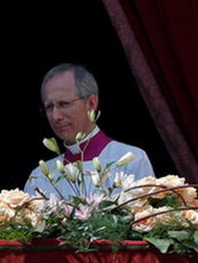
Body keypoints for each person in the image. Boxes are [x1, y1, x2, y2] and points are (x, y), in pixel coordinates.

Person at [24, 63, 154, 197]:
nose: (56, 116)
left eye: (64, 104)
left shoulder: (130, 160)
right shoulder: (40, 178)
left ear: (91, 103)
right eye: (49, 107)